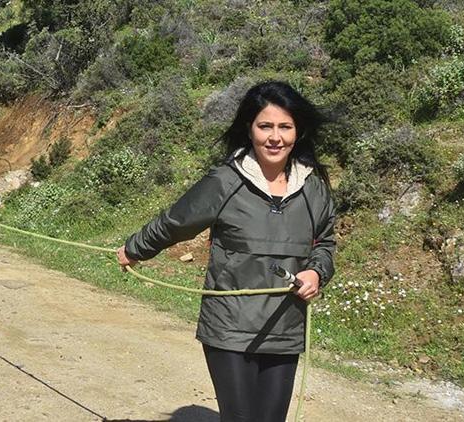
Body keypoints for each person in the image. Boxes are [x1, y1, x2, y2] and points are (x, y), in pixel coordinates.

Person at [116, 81, 336, 422]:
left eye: (284, 127)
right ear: (249, 130)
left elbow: (324, 243)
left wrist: (316, 272)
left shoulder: (315, 190)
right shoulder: (225, 181)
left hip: (284, 329)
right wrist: (135, 249)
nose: (274, 137)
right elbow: (177, 221)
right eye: (265, 126)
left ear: (298, 131)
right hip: (229, 328)